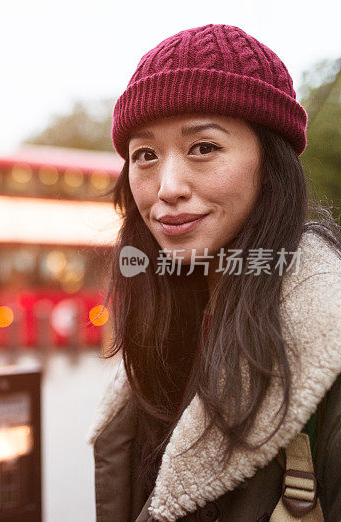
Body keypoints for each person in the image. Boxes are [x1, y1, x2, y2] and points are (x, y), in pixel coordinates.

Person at [87, 24, 341, 521]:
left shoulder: (329, 338)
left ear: (271, 163)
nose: (168, 187)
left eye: (203, 147)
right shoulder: (159, 333)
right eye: (145, 155)